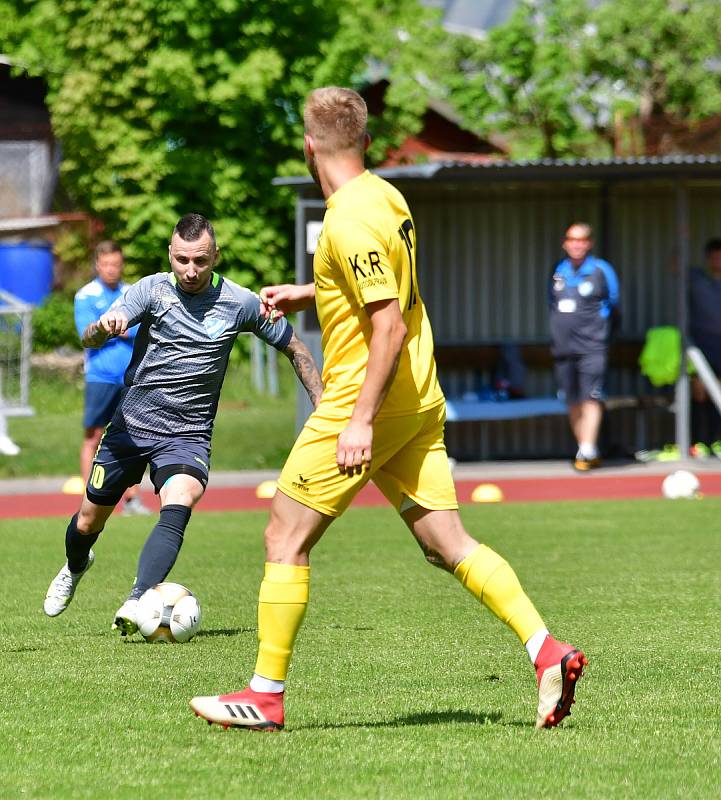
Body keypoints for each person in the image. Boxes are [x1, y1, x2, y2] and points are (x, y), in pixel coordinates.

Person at [190, 87, 586, 732]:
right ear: (367, 143)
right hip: (420, 397)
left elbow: (388, 328)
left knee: (284, 536)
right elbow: (379, 292)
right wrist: (307, 292)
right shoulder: (385, 195)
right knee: (445, 543)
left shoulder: (347, 219)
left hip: (366, 400)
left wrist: (360, 421)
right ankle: (547, 650)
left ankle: (264, 695)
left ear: (309, 146)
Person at [44, 213, 323, 634]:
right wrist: (103, 329)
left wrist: (322, 406)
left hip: (186, 434)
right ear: (170, 256)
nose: (190, 271)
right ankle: (76, 565)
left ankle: (139, 599)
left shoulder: (240, 302)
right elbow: (89, 337)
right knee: (87, 521)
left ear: (215, 257)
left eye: (200, 260)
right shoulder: (151, 291)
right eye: (181, 260)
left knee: (180, 500)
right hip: (131, 427)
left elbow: (294, 346)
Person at [74, 241, 149, 515]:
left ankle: (132, 499)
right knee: (93, 436)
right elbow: (89, 335)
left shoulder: (131, 293)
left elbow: (141, 330)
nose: (111, 270)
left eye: (116, 265)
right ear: (97, 265)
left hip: (129, 377)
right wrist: (115, 328)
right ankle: (88, 499)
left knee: (133, 438)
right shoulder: (85, 295)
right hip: (100, 377)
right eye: (106, 265)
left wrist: (110, 327)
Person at [549, 223, 620, 471]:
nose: (576, 244)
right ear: (565, 243)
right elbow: (553, 304)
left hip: (592, 347)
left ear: (589, 243)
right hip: (563, 349)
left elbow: (614, 304)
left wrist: (601, 336)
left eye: (581, 240)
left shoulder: (601, 270)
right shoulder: (558, 270)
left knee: (591, 396)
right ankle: (586, 448)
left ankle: (587, 448)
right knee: (572, 401)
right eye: (572, 239)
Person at [688, 238, 721, 456]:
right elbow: (674, 264)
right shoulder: (698, 279)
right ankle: (699, 442)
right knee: (700, 392)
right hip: (701, 346)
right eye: (714, 256)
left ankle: (718, 442)